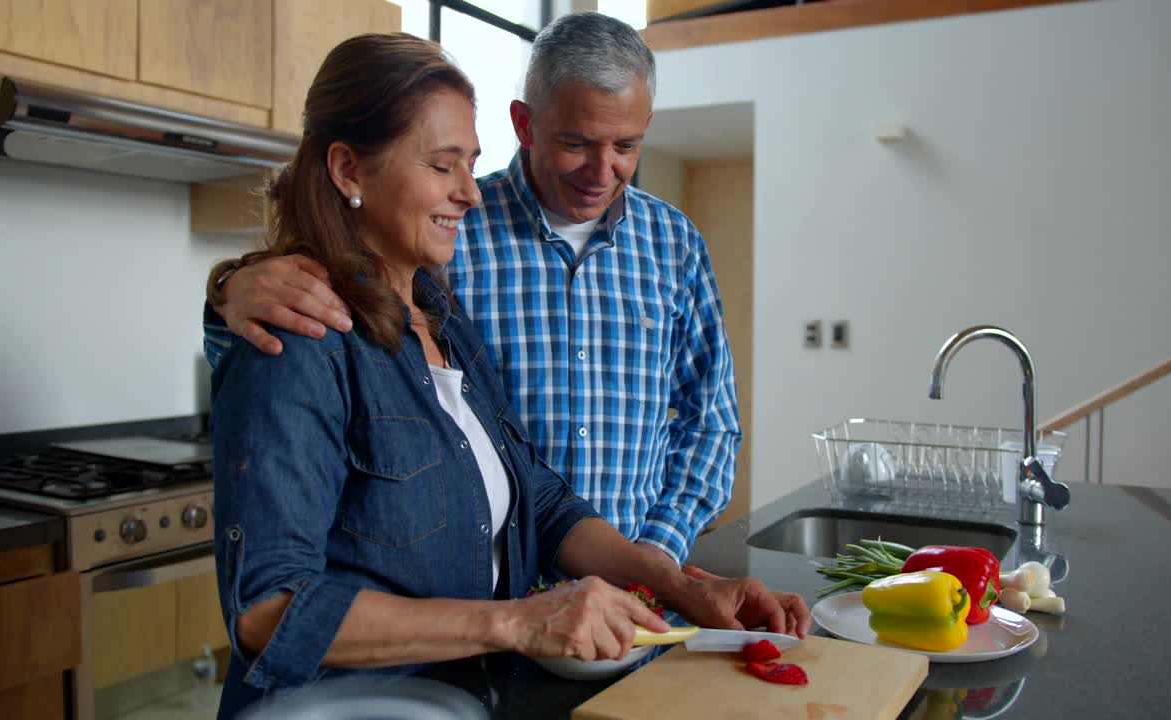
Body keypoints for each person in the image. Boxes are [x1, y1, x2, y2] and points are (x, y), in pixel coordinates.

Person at [209, 33, 802, 720]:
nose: (468, 193)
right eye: (442, 165)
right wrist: (516, 621)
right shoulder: (300, 332)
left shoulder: (441, 318)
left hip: (477, 691)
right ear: (348, 171)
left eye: (470, 164)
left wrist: (678, 584)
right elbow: (267, 610)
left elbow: (540, 501)